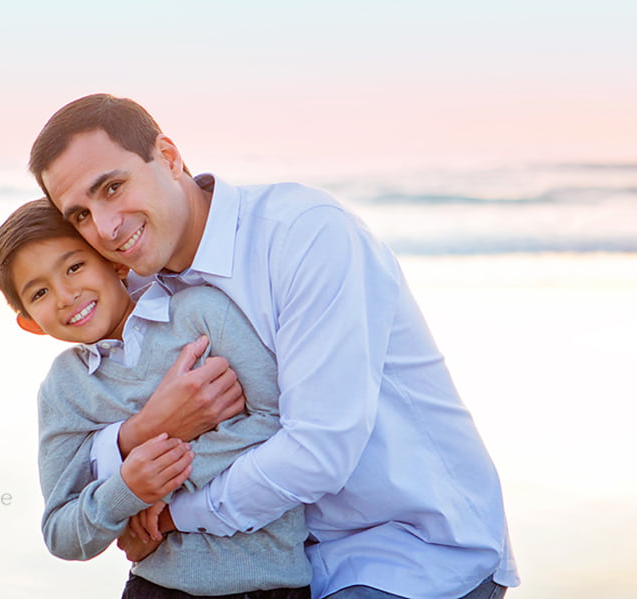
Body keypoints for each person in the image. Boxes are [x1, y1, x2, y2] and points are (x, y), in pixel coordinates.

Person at [26, 93, 521, 599]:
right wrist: (141, 435)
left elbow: (319, 449)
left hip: (410, 550)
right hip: (280, 563)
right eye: (81, 215)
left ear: (169, 157)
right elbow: (80, 479)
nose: (106, 227)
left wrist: (172, 516)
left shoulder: (305, 235)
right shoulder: (142, 294)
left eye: (112, 187)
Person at [0, 198, 312, 598]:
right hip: (155, 588)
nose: (66, 295)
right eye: (39, 293)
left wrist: (165, 486)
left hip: (269, 584)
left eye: (74, 267)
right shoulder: (63, 389)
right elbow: (61, 532)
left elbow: (281, 423)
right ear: (31, 323)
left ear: (116, 263)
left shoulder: (201, 314)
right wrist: (127, 488)